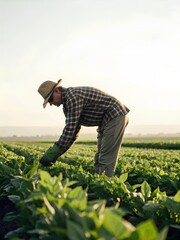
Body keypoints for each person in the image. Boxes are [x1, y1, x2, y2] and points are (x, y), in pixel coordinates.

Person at [38, 79, 130, 177]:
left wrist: (54, 151)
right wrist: (57, 154)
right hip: (105, 121)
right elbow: (73, 133)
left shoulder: (72, 97)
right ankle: (99, 183)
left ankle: (106, 186)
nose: (51, 104)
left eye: (50, 99)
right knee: (99, 158)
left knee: (106, 158)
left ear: (57, 91)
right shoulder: (67, 105)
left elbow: (70, 129)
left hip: (115, 115)